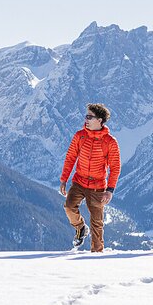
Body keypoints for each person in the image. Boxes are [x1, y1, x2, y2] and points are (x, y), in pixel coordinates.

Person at [59, 103, 121, 252]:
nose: (86, 119)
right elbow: (70, 157)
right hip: (79, 182)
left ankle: (97, 254)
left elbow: (115, 167)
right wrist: (64, 179)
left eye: (89, 117)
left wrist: (110, 189)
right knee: (69, 206)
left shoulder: (110, 142)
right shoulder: (80, 136)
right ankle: (80, 228)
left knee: (97, 222)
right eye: (86, 116)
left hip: (98, 186)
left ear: (99, 120)